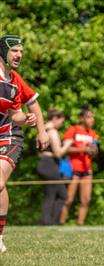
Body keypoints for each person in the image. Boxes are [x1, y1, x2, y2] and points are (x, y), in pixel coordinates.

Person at [0, 34, 49, 253]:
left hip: (8, 136)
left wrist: (33, 123)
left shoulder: (13, 81)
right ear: (3, 51)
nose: (19, 54)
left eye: (21, 51)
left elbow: (17, 114)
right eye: (15, 50)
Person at [60, 105, 99, 225]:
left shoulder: (93, 134)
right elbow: (65, 149)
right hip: (73, 169)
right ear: (82, 118)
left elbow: (95, 151)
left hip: (87, 170)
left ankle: (80, 224)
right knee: (68, 199)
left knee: (86, 199)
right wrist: (83, 149)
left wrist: (94, 150)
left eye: (92, 117)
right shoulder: (74, 130)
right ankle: (60, 223)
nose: (91, 120)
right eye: (88, 117)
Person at [37, 109, 72, 225]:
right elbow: (58, 153)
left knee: (51, 194)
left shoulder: (43, 130)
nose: (61, 125)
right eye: (61, 121)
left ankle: (47, 220)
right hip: (49, 164)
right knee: (63, 195)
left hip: (43, 162)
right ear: (55, 118)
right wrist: (67, 144)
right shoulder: (52, 132)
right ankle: (49, 221)